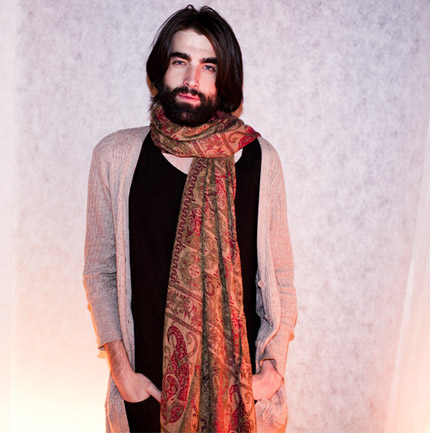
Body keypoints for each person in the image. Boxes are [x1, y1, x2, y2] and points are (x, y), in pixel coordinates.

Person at [83, 5, 296, 432]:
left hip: (237, 403)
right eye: (180, 61)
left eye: (208, 66)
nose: (192, 79)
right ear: (161, 70)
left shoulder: (260, 161)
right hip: (147, 399)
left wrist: (272, 368)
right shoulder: (116, 157)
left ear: (225, 80)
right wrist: (122, 371)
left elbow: (280, 276)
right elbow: (100, 272)